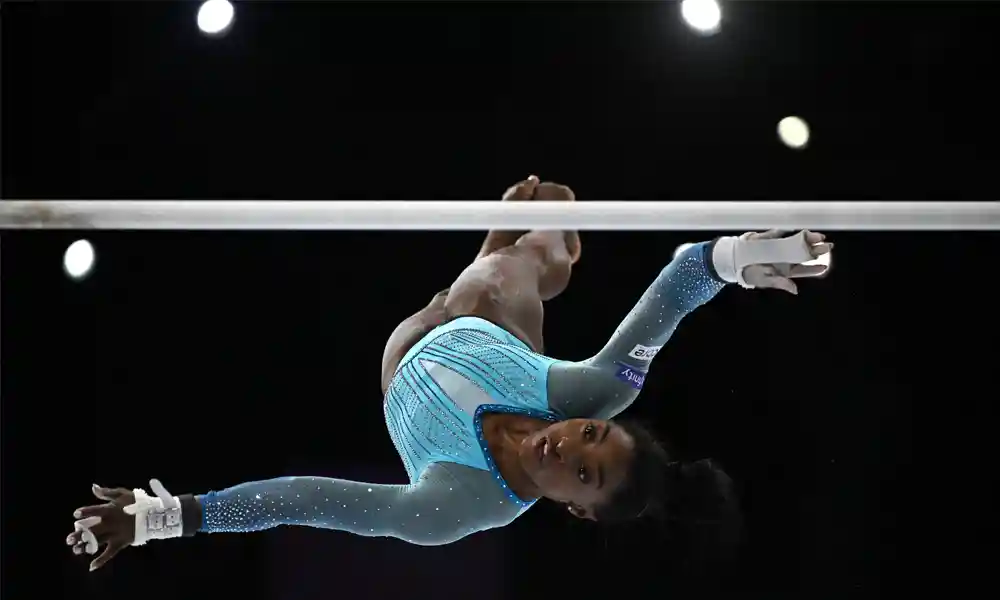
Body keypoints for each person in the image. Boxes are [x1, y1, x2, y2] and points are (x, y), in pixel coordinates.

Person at [67, 176, 832, 571]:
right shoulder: (597, 391)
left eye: (583, 475)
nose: (566, 447)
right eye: (591, 437)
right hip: (487, 326)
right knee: (506, 277)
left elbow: (307, 500)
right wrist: (731, 259)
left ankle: (528, 243)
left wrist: (168, 517)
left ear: (576, 511)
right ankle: (541, 246)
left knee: (491, 278)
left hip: (406, 361)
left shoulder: (454, 507)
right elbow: (674, 290)